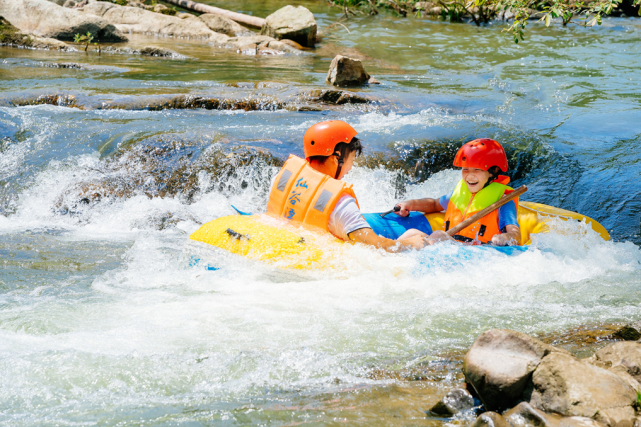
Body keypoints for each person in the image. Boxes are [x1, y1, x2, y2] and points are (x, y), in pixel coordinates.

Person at [266, 120, 425, 252]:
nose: (350, 169)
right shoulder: (340, 203)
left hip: (286, 247)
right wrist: (412, 243)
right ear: (336, 159)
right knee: (422, 236)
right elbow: (376, 245)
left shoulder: (283, 178)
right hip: (322, 263)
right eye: (352, 160)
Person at [394, 138, 522, 246]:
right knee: (412, 233)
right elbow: (434, 205)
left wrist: (505, 237)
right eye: (465, 169)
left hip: (480, 252)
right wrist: (409, 204)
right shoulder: (460, 192)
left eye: (477, 170)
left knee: (438, 235)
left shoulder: (503, 200)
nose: (470, 176)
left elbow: (516, 234)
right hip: (453, 246)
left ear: (492, 172)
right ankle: (387, 252)